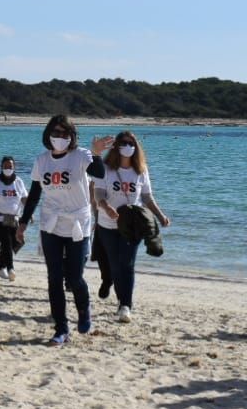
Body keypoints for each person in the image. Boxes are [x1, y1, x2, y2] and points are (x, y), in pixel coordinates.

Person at [18, 115, 111, 345]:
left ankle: (84, 309)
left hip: (78, 223)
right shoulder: (42, 161)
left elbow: (99, 174)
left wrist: (97, 153)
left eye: (65, 134)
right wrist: (22, 222)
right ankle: (61, 329)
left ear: (72, 137)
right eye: (56, 133)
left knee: (75, 276)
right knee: (54, 278)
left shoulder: (80, 156)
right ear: (48, 135)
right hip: (51, 223)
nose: (60, 138)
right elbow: (35, 193)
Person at [92, 130, 171, 324]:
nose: (128, 146)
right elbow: (98, 193)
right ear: (116, 146)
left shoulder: (140, 170)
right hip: (107, 224)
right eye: (124, 143)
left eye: (131, 143)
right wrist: (106, 207)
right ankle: (111, 285)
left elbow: (146, 197)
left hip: (132, 225)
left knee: (127, 265)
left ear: (136, 147)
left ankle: (125, 305)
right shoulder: (106, 168)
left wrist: (160, 215)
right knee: (114, 265)